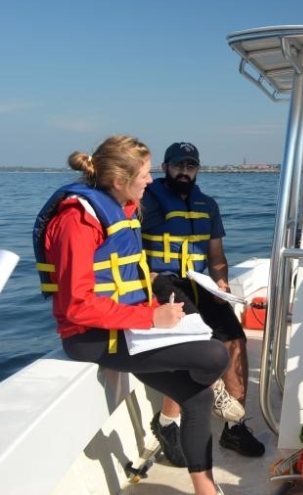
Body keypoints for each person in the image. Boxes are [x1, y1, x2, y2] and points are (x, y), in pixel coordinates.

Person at [33, 135, 228, 495]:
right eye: (145, 173)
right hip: (93, 338)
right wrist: (153, 321)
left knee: (197, 394)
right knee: (215, 355)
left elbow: (123, 280)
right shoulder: (77, 220)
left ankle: (207, 491)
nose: (151, 180)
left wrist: (156, 310)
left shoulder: (122, 206)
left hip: (125, 328)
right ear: (120, 180)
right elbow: (78, 305)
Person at [142, 142, 265, 462]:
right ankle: (168, 422)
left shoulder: (207, 205)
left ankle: (234, 427)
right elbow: (127, 245)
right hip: (161, 279)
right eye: (178, 165)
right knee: (194, 340)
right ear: (165, 168)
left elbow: (216, 256)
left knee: (236, 339)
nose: (185, 171)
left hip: (200, 282)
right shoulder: (146, 201)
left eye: (191, 166)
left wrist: (221, 283)